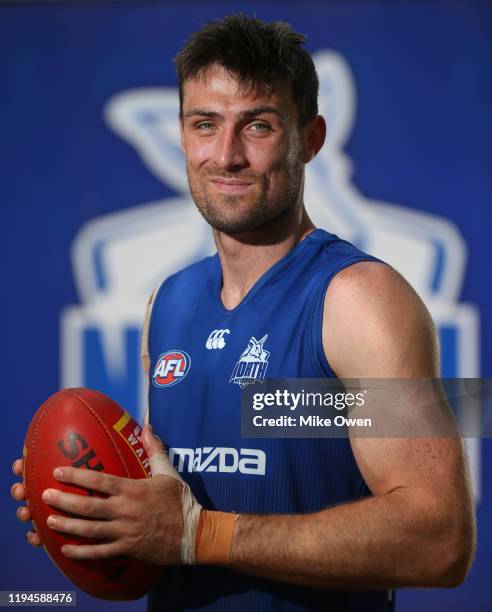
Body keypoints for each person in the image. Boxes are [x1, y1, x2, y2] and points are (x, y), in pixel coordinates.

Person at [11, 14, 475, 611]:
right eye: (205, 124)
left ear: (309, 139)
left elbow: (439, 541)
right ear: (182, 135)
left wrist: (197, 535)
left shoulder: (360, 299)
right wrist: (99, 512)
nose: (226, 155)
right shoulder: (167, 303)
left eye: (257, 125)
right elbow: (177, 512)